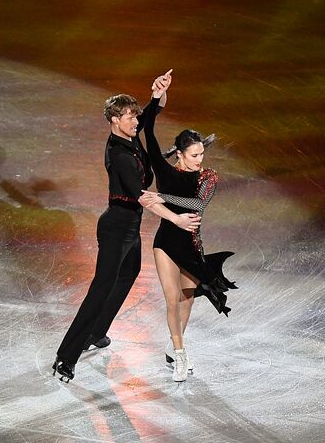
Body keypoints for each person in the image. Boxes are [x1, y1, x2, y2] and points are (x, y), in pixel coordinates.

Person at [50, 72, 200, 383]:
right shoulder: (119, 155)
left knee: (128, 275)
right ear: (116, 120)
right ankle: (65, 357)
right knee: (100, 289)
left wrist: (159, 93)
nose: (137, 122)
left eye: (135, 117)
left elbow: (152, 113)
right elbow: (145, 197)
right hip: (116, 228)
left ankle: (96, 333)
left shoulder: (129, 136)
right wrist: (175, 218)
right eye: (131, 117)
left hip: (130, 229)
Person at [138, 80, 237, 382]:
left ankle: (173, 345)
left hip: (192, 243)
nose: (199, 161)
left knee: (187, 299)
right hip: (166, 241)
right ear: (180, 154)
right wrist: (156, 98)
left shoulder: (209, 177)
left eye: (201, 155)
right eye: (194, 156)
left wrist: (163, 197)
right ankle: (180, 355)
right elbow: (148, 131)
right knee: (171, 299)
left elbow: (198, 204)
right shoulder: (165, 170)